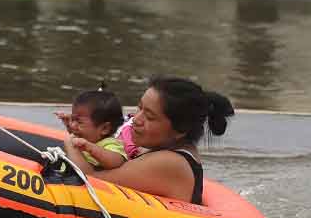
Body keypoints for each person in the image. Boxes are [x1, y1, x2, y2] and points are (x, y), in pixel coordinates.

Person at [62, 77, 234, 204]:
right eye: (139, 108)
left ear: (179, 130)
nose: (136, 119)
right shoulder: (159, 149)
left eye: (149, 116)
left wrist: (71, 141)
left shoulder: (170, 162)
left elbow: (88, 179)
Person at [55, 89, 126, 169]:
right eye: (72, 119)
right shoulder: (84, 137)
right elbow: (73, 133)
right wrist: (68, 125)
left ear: (104, 128)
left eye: (79, 122)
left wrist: (90, 147)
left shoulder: (110, 144)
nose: (73, 125)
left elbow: (116, 162)